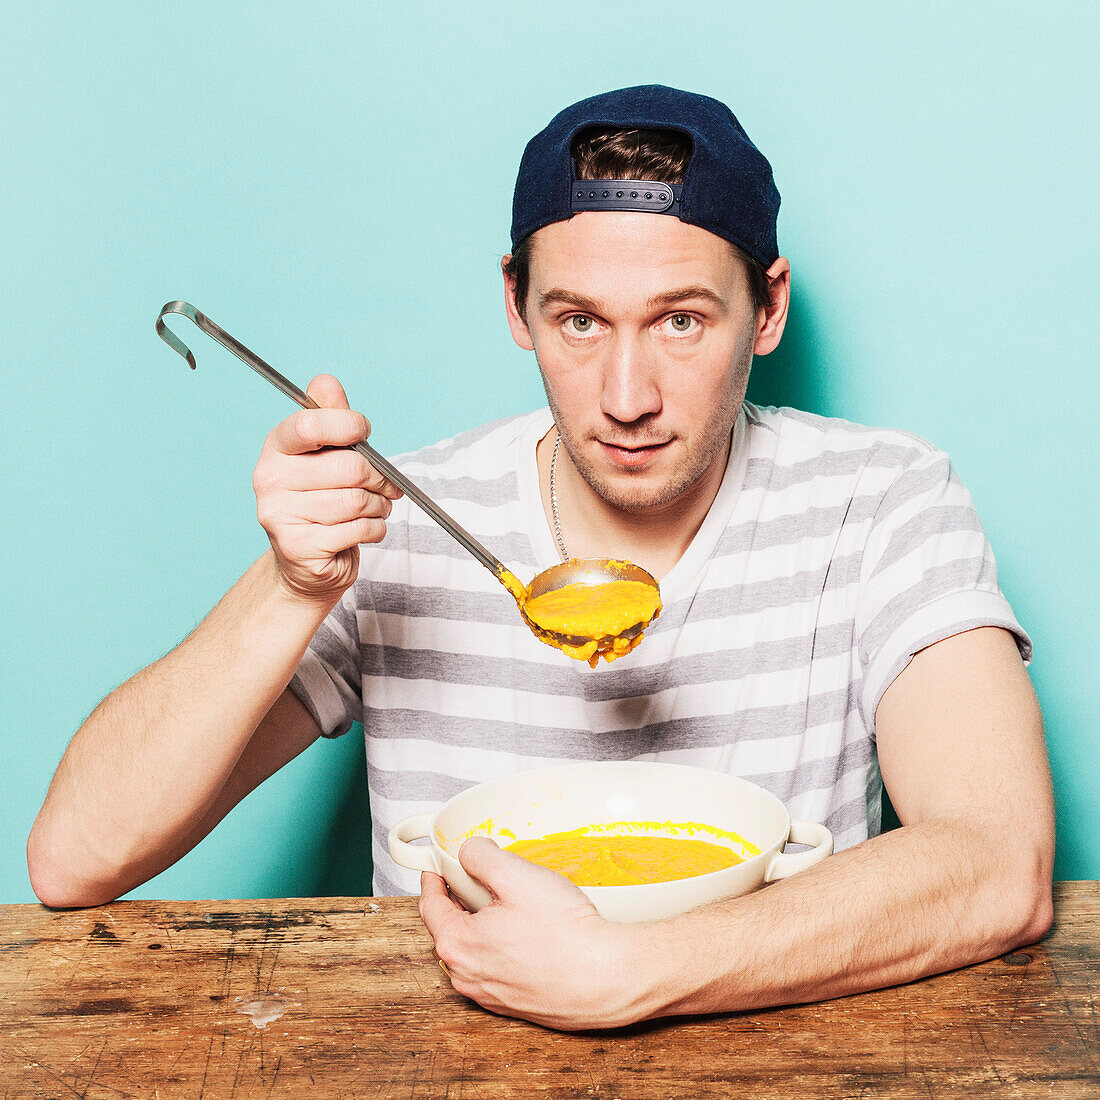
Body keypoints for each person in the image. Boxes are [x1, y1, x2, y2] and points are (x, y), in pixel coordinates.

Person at [28, 85, 1054, 1030]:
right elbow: (76, 858)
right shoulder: (409, 521)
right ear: (515, 304)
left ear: (768, 307)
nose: (625, 394)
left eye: (681, 321)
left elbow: (994, 859)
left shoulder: (879, 501)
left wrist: (623, 972)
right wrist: (289, 585)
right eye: (577, 321)